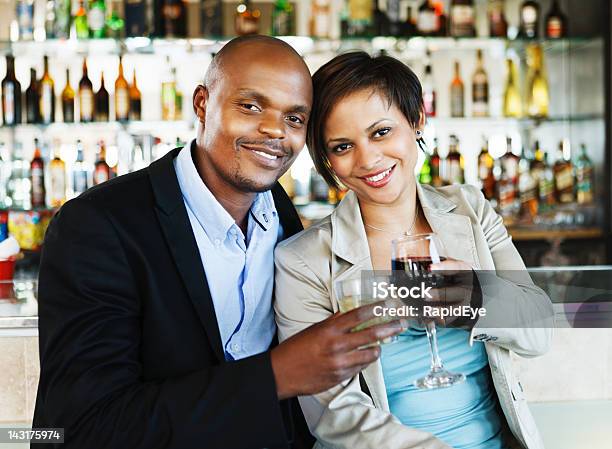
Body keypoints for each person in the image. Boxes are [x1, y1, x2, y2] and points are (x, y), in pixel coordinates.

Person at [33, 37, 403, 449]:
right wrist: (277, 374)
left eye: (295, 119)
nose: (275, 130)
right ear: (202, 103)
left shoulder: (280, 212)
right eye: (251, 106)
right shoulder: (98, 225)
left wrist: (454, 291)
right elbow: (81, 430)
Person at [274, 52, 554, 449]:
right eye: (342, 146)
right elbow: (334, 416)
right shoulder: (303, 261)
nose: (368, 158)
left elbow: (540, 329)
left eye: (381, 132)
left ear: (417, 121)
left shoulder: (470, 209)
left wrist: (476, 295)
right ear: (326, 161)